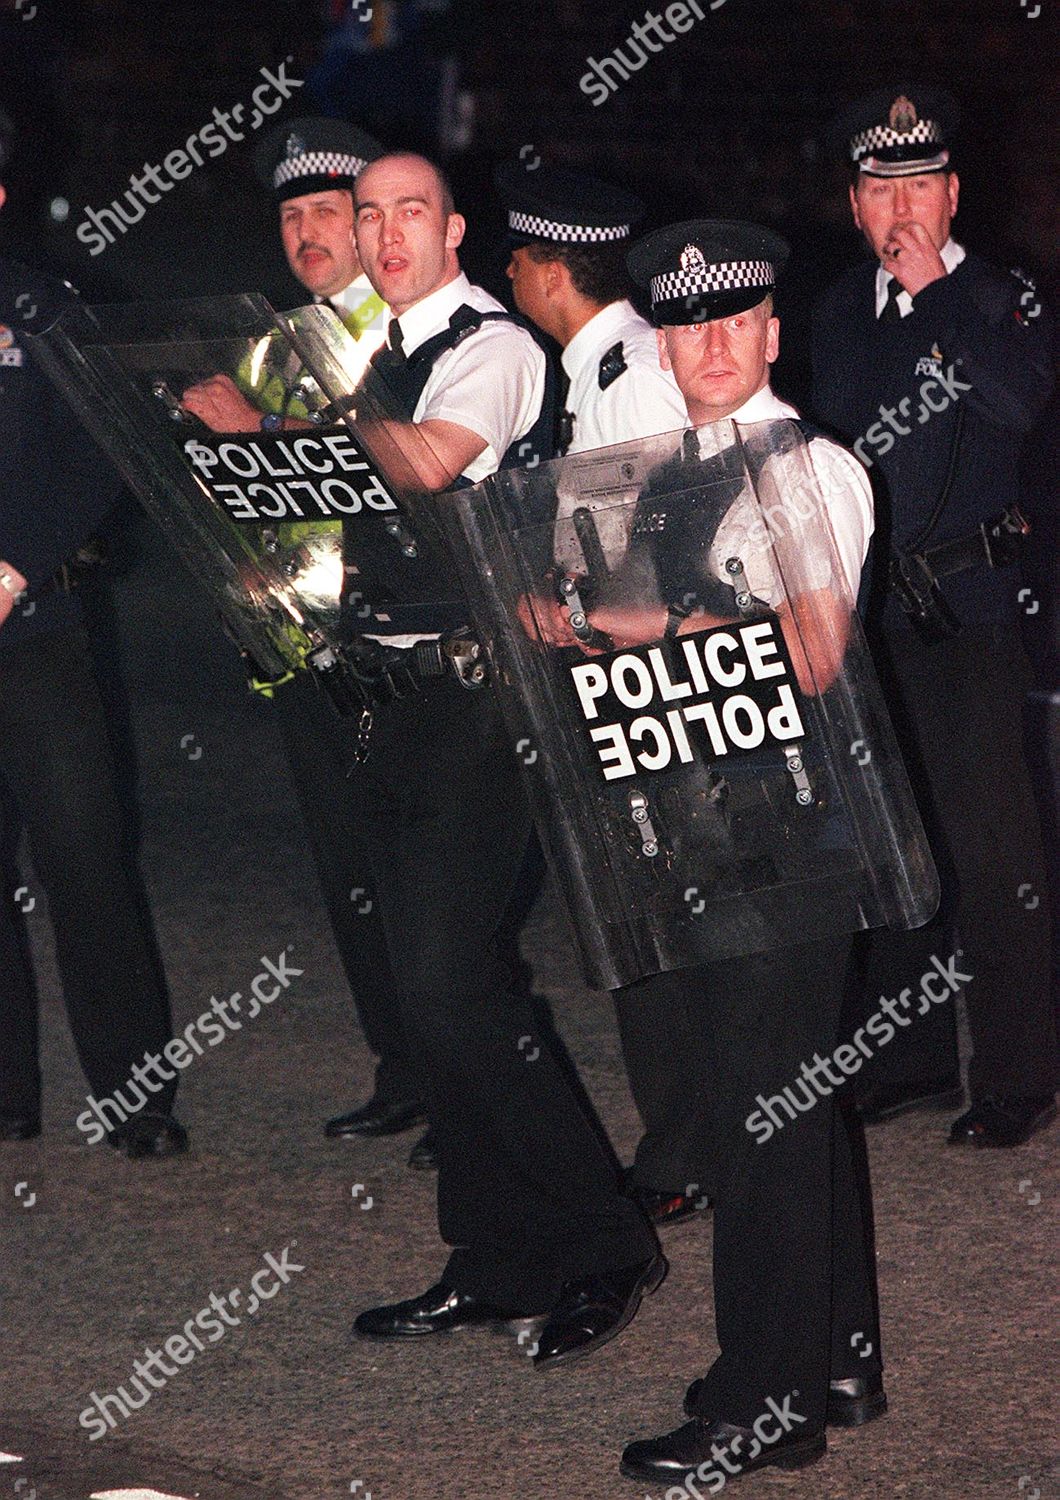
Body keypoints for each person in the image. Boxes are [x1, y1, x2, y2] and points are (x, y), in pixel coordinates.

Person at [344, 151, 663, 1361]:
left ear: (455, 230)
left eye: (408, 213)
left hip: (482, 705)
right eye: (367, 214)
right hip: (383, 691)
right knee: (427, 998)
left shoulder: (491, 344)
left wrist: (307, 418)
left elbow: (429, 460)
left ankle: (603, 1238)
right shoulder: (371, 350)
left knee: (449, 984)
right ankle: (491, 1256)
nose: (383, 234)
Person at [589, 220, 882, 1484]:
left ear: (772, 333)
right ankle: (833, 1356)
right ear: (663, 339)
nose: (709, 345)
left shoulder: (810, 470)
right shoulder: (651, 471)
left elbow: (812, 655)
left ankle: (766, 1405)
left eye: (733, 321)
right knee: (787, 1103)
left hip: (792, 836)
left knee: (758, 1123)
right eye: (686, 325)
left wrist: (641, 619)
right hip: (698, 824)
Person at [182, 117, 432, 1164]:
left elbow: (388, 466)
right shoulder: (274, 338)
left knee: (422, 872)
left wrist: (257, 435)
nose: (310, 230)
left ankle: (455, 1071)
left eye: (331, 210)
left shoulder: (406, 328)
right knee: (352, 873)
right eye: (293, 214)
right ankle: (404, 1068)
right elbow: (245, 487)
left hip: (395, 648)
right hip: (299, 648)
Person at [812, 86, 1057, 1147]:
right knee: (886, 850)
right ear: (854, 203)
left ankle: (1017, 1075)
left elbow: (1017, 402)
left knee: (993, 851)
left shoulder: (1006, 299)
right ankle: (904, 1060)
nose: (900, 207)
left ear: (953, 195)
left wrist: (938, 300)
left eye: (920, 184)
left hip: (972, 608)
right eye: (879, 187)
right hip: (870, 611)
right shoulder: (831, 312)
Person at [496, 158, 713, 1228]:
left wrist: (564, 617)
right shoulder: (604, 364)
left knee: (654, 914)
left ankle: (685, 1146)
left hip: (643, 671)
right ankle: (689, 1133)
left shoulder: (623, 375)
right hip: (631, 662)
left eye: (517, 257)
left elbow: (621, 548)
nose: (509, 273)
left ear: (546, 274)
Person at [0, 109, 187, 1159]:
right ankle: (5, 1091)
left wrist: (18, 561)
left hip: (36, 628)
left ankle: (136, 1097)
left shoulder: (37, 307)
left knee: (87, 862)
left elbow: (108, 450)